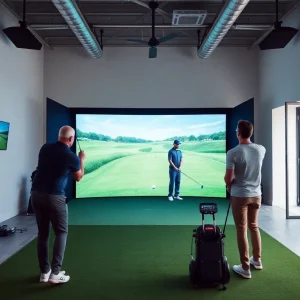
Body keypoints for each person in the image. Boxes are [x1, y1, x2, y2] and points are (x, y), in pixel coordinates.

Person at [31, 125, 85, 284]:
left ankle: (44, 272)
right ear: (71, 139)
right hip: (55, 197)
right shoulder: (71, 157)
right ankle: (55, 273)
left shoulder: (44, 148)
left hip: (36, 195)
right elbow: (78, 177)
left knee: (43, 234)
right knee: (61, 232)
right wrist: (81, 160)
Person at [224, 120, 266, 279]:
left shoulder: (233, 152)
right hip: (256, 195)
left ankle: (245, 267)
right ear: (251, 132)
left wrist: (227, 184)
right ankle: (257, 260)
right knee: (254, 226)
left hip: (240, 195)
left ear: (238, 133)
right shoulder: (261, 149)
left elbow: (229, 178)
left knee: (241, 229)